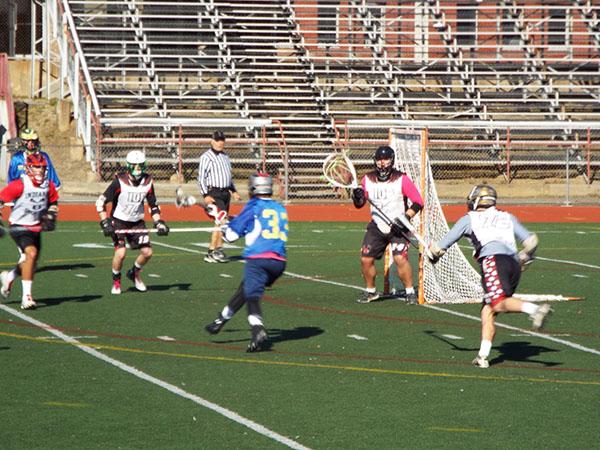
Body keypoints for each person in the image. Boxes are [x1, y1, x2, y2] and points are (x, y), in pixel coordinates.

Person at [428, 183, 551, 369]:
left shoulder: (469, 219)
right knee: (488, 309)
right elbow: (532, 242)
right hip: (513, 264)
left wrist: (433, 252)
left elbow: (442, 245)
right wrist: (523, 259)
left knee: (499, 303)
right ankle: (482, 356)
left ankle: (535, 310)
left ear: (476, 200)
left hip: (493, 261)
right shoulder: (506, 216)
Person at [204, 173, 288, 352]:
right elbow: (257, 223)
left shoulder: (253, 206)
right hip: (279, 262)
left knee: (252, 295)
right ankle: (221, 319)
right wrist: (230, 219)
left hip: (259, 259)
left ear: (253, 189)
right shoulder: (280, 208)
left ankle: (257, 330)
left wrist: (221, 222)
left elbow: (231, 237)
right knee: (245, 289)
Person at [351, 145, 424, 304]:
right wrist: (357, 196)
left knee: (399, 258)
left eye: (386, 159)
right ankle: (371, 291)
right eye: (379, 160)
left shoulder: (401, 179)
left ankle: (410, 292)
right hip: (377, 225)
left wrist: (405, 218)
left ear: (392, 161)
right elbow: (360, 204)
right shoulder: (367, 179)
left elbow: (418, 202)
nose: (382, 163)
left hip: (398, 226)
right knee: (365, 259)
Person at [96, 150, 169, 295]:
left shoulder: (148, 182)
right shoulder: (119, 181)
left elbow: (153, 205)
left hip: (137, 222)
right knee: (121, 253)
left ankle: (134, 273)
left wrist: (159, 222)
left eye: (141, 166)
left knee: (147, 252)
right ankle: (116, 281)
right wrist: (104, 221)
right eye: (134, 166)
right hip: (119, 222)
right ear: (128, 166)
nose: (138, 169)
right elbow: (101, 202)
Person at [0, 153, 59, 309]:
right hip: (19, 226)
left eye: (42, 167)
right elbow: (1, 199)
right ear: (28, 168)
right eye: (36, 167)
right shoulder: (19, 185)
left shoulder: (48, 185)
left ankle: (9, 277)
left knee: (30, 262)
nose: (39, 171)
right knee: (30, 254)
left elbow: (53, 201)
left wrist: (51, 215)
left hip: (35, 226)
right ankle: (27, 297)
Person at [197, 130, 242, 263]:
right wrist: (205, 194)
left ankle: (214, 250)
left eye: (221, 140)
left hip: (225, 193)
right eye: (217, 140)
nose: (220, 143)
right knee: (222, 221)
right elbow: (201, 178)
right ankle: (216, 250)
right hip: (214, 192)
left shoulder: (225, 157)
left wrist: (233, 191)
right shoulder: (206, 157)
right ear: (212, 141)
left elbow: (228, 177)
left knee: (219, 222)